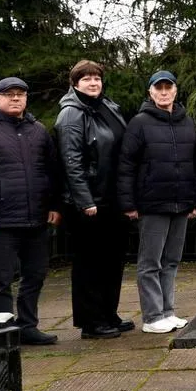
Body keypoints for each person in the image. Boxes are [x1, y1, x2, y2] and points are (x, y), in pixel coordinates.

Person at [0, 77, 63, 345]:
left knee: (35, 276)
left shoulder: (38, 130)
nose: (15, 98)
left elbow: (52, 171)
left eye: (20, 94)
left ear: (26, 98)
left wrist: (54, 205)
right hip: (1, 220)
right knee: (1, 280)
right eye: (9, 94)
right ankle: (1, 333)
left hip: (36, 219)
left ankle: (28, 326)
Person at [117, 70, 196, 334]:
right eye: (159, 88)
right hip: (152, 205)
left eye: (168, 88)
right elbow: (126, 166)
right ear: (151, 92)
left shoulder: (187, 122)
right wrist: (128, 204)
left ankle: (167, 312)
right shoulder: (139, 123)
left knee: (171, 261)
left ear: (175, 91)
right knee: (150, 263)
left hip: (181, 204)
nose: (164, 92)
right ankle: (153, 317)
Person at [55, 59, 131, 340]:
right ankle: (91, 322)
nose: (93, 82)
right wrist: (85, 201)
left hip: (112, 198)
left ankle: (108, 313)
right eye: (86, 78)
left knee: (113, 260)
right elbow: (71, 162)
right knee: (90, 262)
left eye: (96, 77)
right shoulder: (72, 114)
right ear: (75, 83)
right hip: (88, 201)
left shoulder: (107, 107)